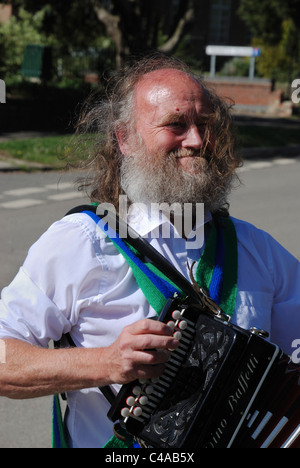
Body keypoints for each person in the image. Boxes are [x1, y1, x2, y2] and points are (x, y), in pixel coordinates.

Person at [0, 54, 299, 448]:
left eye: (205, 124)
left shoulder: (255, 248)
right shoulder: (83, 242)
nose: (195, 140)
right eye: (176, 124)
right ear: (125, 139)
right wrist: (105, 362)